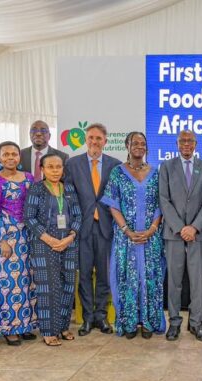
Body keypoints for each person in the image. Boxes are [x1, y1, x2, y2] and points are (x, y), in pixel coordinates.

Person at [101, 132, 165, 339]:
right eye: (135, 143)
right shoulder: (117, 172)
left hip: (150, 238)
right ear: (127, 146)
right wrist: (127, 231)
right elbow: (113, 205)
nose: (139, 146)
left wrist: (152, 229)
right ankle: (129, 323)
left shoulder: (156, 173)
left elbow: (161, 204)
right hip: (125, 238)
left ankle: (148, 322)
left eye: (143, 143)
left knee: (150, 279)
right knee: (127, 279)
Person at [159, 129, 202, 341]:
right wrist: (180, 227)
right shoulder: (166, 167)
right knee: (174, 281)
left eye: (190, 140)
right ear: (177, 144)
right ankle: (174, 323)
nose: (186, 144)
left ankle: (196, 323)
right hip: (173, 234)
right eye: (182, 140)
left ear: (195, 144)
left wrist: (194, 228)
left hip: (197, 235)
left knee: (196, 281)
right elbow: (164, 200)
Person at [65, 123, 120, 336]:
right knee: (85, 274)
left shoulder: (115, 165)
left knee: (105, 274)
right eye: (91, 138)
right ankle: (87, 318)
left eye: (98, 138)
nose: (94, 142)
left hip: (106, 227)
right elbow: (69, 196)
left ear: (105, 141)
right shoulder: (73, 164)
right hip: (83, 228)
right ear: (85, 140)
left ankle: (101, 316)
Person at [24, 154, 81, 346]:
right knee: (48, 287)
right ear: (42, 169)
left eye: (58, 167)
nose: (55, 170)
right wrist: (49, 239)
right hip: (44, 244)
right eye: (50, 167)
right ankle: (49, 331)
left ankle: (63, 327)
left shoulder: (69, 188)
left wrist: (71, 236)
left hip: (69, 243)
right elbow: (29, 218)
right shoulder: (36, 189)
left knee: (68, 285)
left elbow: (78, 215)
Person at [0, 141, 37, 345]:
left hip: (26, 236)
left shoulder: (29, 178)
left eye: (14, 154)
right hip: (4, 237)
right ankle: (8, 328)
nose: (10, 158)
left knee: (26, 282)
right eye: (6, 154)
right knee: (7, 284)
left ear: (19, 157)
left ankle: (25, 325)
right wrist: (2, 240)